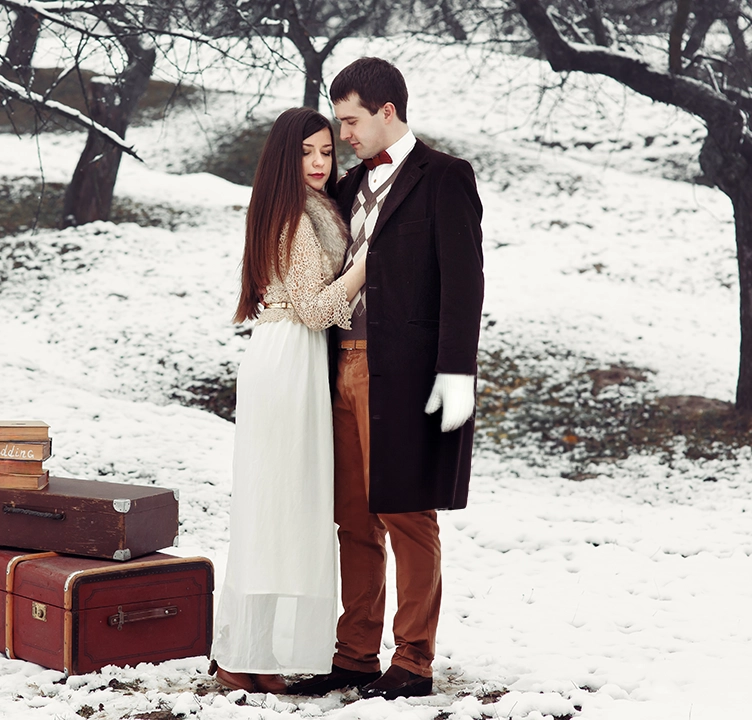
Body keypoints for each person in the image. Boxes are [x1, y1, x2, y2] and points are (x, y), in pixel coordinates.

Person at [286, 57, 485, 700]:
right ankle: (354, 655)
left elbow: (464, 283)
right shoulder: (346, 187)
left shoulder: (445, 176)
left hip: (404, 374)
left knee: (406, 513)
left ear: (387, 111)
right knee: (353, 519)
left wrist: (456, 372)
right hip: (338, 366)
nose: (342, 135)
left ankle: (414, 660)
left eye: (350, 121)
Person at [210, 107, 367, 693]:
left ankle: (257, 651)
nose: (320, 163)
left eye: (327, 151)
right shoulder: (295, 215)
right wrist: (365, 265)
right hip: (288, 357)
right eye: (306, 153)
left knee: (282, 508)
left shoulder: (309, 206)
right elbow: (315, 308)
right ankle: (245, 653)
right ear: (284, 156)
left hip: (292, 356)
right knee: (275, 508)